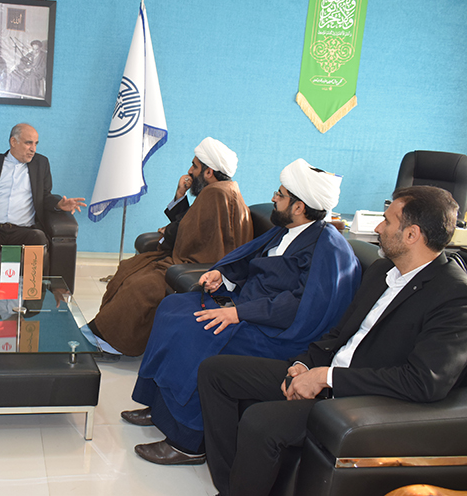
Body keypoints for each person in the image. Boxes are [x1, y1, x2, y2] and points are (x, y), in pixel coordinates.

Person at [197, 185, 467, 496]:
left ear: (412, 234)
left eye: (387, 221)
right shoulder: (382, 271)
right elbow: (340, 334)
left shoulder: (453, 295)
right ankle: (231, 485)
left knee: (260, 421)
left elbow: (423, 382)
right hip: (326, 375)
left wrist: (326, 378)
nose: (378, 228)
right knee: (215, 372)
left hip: (363, 399)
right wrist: (304, 364)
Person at [125, 158, 361, 466]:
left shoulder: (330, 248)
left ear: (299, 207)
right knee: (172, 307)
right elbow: (248, 260)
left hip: (275, 330)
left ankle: (188, 442)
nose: (273, 198)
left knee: (198, 331)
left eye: (280, 194)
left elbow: (301, 305)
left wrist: (239, 313)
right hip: (245, 306)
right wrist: (221, 275)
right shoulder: (286, 230)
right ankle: (159, 408)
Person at [85, 137, 253, 357]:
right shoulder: (222, 190)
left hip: (200, 267)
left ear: (209, 172)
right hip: (196, 259)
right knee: (130, 268)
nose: (190, 171)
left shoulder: (216, 194)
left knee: (142, 285)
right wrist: (179, 197)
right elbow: (195, 226)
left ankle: (109, 342)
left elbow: (190, 233)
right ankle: (103, 333)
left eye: (194, 166)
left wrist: (170, 231)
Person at [0, 123, 86, 275]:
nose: (33, 149)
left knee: (39, 238)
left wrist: (59, 204)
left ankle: (33, 289)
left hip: (24, 229)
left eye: (36, 143)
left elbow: (45, 196)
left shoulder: (41, 164)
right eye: (28, 143)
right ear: (13, 142)